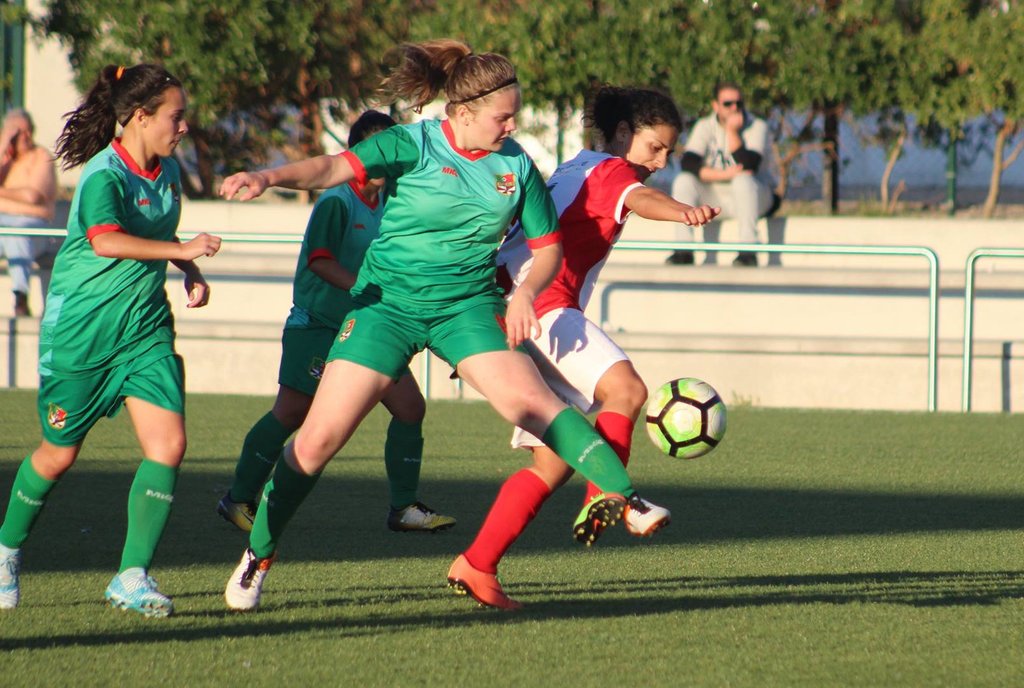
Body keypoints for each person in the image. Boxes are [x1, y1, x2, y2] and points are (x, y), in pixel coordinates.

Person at [218, 39, 661, 612]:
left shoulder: (516, 165)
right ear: (464, 112)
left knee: (536, 405)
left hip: (467, 309)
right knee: (318, 440)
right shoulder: (412, 143)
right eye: (503, 117)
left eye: (514, 116)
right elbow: (331, 167)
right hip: (386, 307)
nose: (512, 127)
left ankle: (627, 498)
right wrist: (267, 176)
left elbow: (548, 249)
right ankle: (258, 555)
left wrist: (526, 294)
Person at [448, 86, 719, 609]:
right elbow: (642, 200)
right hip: (542, 308)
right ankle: (611, 495)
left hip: (506, 311)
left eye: (668, 152)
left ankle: (477, 564)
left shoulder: (577, 165)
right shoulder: (612, 171)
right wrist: (683, 212)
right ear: (623, 134)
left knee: (551, 464)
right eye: (654, 148)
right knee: (627, 390)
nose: (660, 163)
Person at [0, 64, 221, 616]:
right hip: (83, 334)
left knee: (168, 446)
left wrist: (188, 268)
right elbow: (105, 241)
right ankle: (5, 550)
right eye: (176, 116)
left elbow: (155, 230)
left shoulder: (167, 171)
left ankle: (131, 575)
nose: (184, 127)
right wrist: (182, 252)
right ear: (140, 117)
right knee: (58, 455)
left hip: (144, 329)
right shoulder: (104, 174)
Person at [217, 110, 455, 535]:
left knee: (410, 407)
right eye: (379, 152)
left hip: (366, 326)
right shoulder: (337, 201)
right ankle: (237, 498)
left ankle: (404, 508)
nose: (388, 160)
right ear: (358, 152)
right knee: (292, 411)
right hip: (318, 324)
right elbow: (320, 262)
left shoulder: (391, 199)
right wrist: (368, 290)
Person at [666, 81, 777, 267]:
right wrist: (724, 175)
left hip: (755, 197)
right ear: (716, 105)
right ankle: (683, 250)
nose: (734, 108)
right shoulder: (705, 126)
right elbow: (688, 162)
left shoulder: (757, 126)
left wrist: (732, 132)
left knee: (743, 180)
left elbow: (749, 164)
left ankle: (748, 250)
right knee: (684, 180)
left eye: (738, 103)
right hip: (715, 196)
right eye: (728, 104)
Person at [0, 108, 58, 316]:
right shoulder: (5, 160)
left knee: (16, 231)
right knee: (9, 230)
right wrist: (3, 144)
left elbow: (32, 197)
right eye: (18, 132)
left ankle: (20, 296)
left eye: (28, 131)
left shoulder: (41, 157)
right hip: (4, 225)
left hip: (34, 229)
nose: (25, 136)